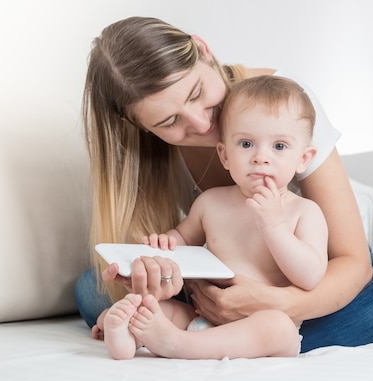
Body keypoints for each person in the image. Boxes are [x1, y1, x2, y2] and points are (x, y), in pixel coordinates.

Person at [77, 16, 373, 354]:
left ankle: (217, 340)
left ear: (204, 51)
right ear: (145, 127)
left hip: (305, 267)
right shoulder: (150, 151)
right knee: (91, 285)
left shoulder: (282, 101)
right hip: (219, 276)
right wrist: (154, 278)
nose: (199, 122)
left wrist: (278, 304)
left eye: (196, 93)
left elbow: (351, 261)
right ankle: (225, 336)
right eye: (169, 121)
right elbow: (181, 248)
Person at [100, 75, 328, 360]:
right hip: (203, 316)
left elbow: (311, 277)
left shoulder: (304, 212)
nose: (261, 157)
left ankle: (179, 345)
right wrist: (161, 244)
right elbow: (181, 241)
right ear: (224, 155)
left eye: (279, 147)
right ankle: (125, 338)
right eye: (246, 144)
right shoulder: (210, 202)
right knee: (155, 306)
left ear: (304, 159)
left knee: (278, 326)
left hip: (262, 326)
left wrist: (274, 226)